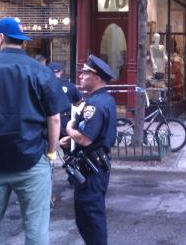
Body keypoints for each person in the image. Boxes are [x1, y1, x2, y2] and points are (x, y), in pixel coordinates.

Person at [0, 17, 69, 244]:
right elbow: (55, 119)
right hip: (32, 159)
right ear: (23, 43)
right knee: (36, 232)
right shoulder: (41, 71)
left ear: (0, 38)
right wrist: (50, 153)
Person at [59, 54, 117, 245]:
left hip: (91, 170)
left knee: (90, 219)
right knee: (90, 218)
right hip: (95, 166)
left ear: (97, 77)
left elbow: (85, 138)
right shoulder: (103, 99)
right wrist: (71, 140)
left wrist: (69, 130)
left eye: (85, 73)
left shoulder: (95, 104)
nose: (81, 76)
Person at [48, 62, 82, 138]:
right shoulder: (70, 85)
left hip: (49, 120)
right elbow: (79, 101)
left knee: (48, 146)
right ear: (61, 72)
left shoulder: (44, 85)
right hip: (66, 121)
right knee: (66, 145)